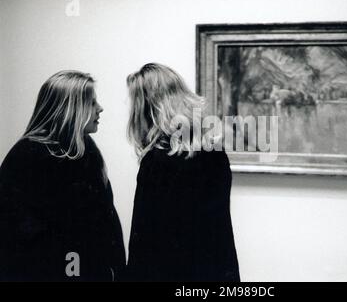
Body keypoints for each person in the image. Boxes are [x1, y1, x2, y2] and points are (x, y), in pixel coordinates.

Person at [0, 71, 125, 281]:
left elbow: (106, 221)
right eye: (92, 102)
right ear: (70, 108)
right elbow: (24, 238)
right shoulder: (27, 156)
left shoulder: (87, 150)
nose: (100, 108)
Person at [125, 63, 240, 281]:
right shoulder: (213, 152)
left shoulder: (157, 161)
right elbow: (217, 231)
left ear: (147, 108)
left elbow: (144, 241)